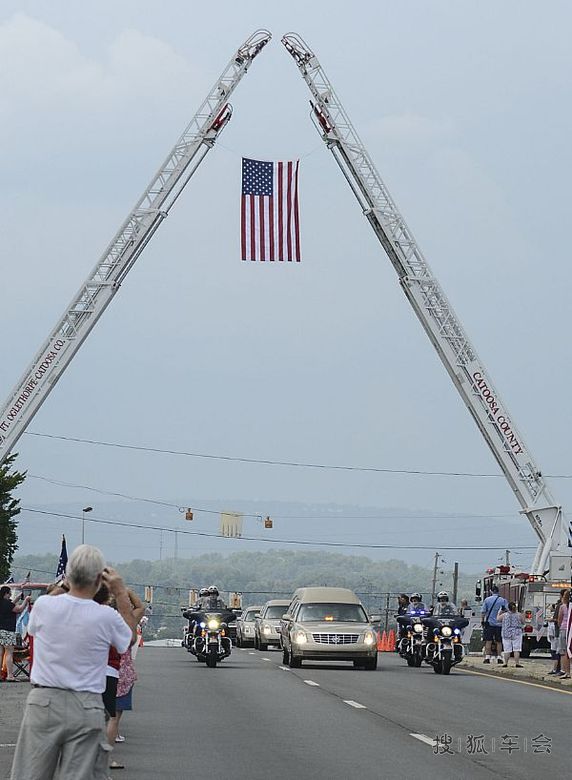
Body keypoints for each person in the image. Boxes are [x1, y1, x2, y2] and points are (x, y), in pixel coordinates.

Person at [10, 545, 136, 780]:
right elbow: (128, 640)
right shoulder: (106, 615)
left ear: (68, 576)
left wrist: (65, 584)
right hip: (86, 704)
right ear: (99, 579)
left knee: (30, 774)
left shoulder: (45, 605)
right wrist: (120, 593)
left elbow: (33, 628)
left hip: (44, 700)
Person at [0, 587, 30, 682]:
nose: (10, 595)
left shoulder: (2, 603)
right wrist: (26, 600)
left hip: (0, 630)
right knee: (9, 653)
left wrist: (17, 598)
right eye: (9, 593)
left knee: (0, 653)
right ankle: (10, 675)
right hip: (8, 630)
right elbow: (19, 609)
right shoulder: (7, 604)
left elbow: (10, 605)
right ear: (6, 593)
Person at [480, 585, 508, 664]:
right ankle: (499, 657)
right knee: (499, 641)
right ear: (498, 591)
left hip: (489, 624)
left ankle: (487, 657)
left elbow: (483, 612)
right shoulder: (503, 600)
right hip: (499, 624)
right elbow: (507, 611)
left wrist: (482, 621)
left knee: (488, 641)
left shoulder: (487, 600)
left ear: (491, 591)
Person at [497, 601, 524, 667]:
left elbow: (498, 619)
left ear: (508, 608)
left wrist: (500, 611)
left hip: (506, 633)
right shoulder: (519, 615)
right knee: (516, 649)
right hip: (517, 633)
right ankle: (517, 663)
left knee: (507, 649)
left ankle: (505, 663)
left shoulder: (504, 615)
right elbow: (523, 622)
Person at [556, 589, 570, 679]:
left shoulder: (563, 607)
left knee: (563, 651)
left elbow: (559, 620)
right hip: (570, 629)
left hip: (564, 629)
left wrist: (560, 626)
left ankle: (565, 670)